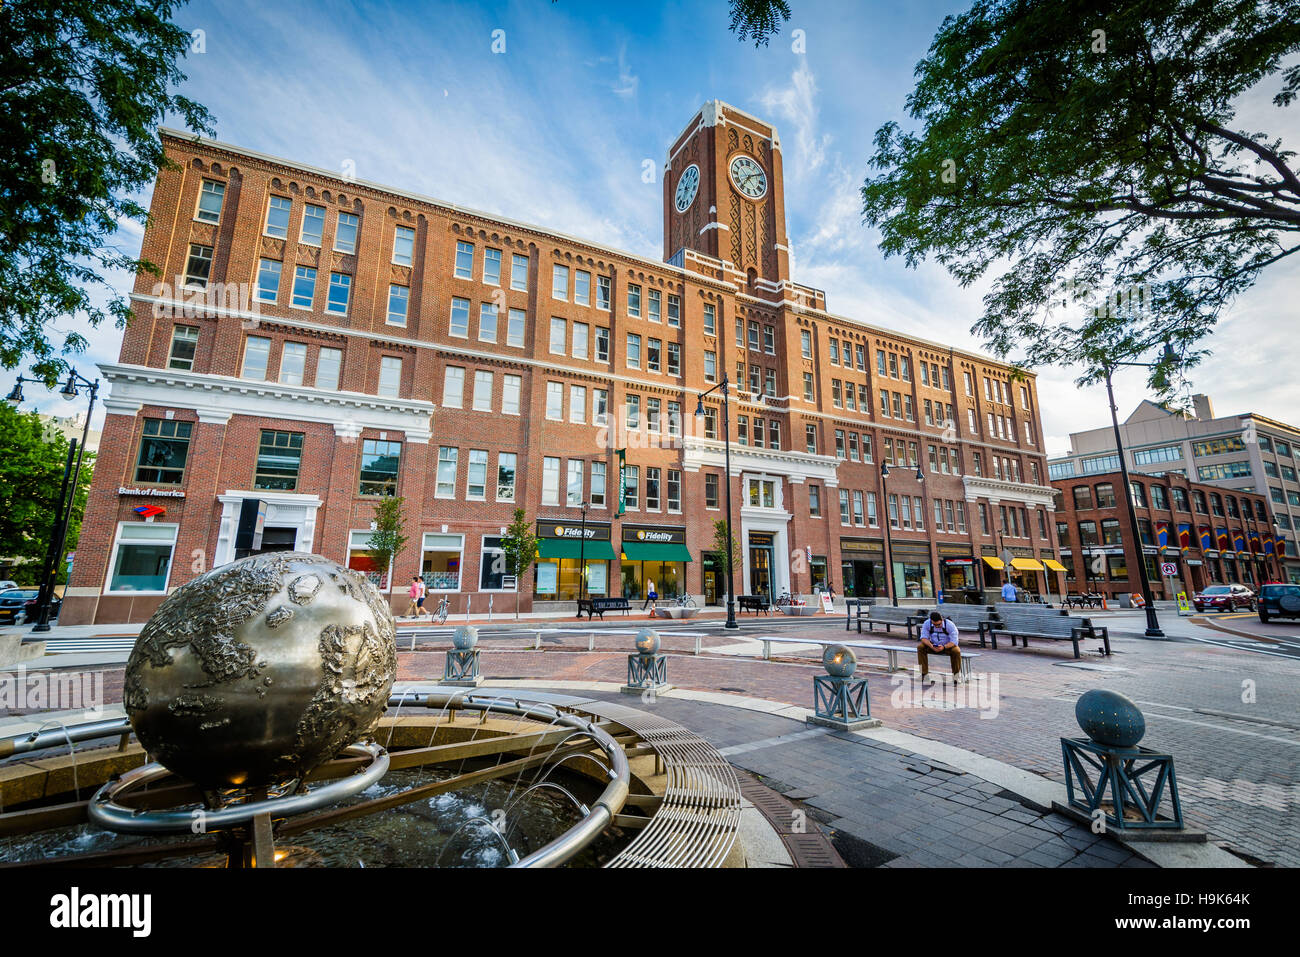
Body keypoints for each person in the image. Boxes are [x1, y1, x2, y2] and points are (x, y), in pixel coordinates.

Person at [916, 610, 962, 682]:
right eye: (934, 625)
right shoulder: (927, 623)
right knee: (920, 647)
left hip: (947, 646)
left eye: (939, 624)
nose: (937, 626)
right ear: (931, 621)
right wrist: (931, 646)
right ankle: (924, 674)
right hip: (933, 645)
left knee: (956, 651)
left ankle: (956, 676)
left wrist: (944, 647)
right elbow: (923, 638)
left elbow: (954, 641)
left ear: (942, 620)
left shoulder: (950, 625)